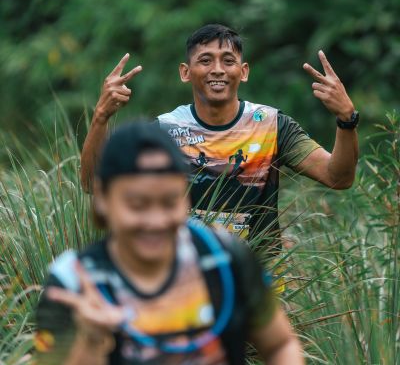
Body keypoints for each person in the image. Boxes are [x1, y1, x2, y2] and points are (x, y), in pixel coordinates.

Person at [35, 122, 318, 365]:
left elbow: (279, 346)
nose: (155, 221)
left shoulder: (223, 258)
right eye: (137, 205)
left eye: (170, 202)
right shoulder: (75, 282)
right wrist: (91, 342)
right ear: (104, 199)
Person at [80, 24, 358, 255]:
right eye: (205, 60)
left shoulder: (272, 125)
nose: (217, 69)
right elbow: (93, 184)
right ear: (185, 72)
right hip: (186, 280)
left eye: (228, 60)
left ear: (244, 71)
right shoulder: (165, 131)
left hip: (260, 283)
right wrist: (101, 117)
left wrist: (346, 119)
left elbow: (338, 177)